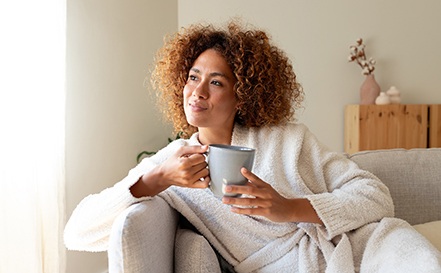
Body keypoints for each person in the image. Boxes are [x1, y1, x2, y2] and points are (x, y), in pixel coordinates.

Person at [64, 21, 441, 272]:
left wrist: (290, 208)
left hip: (363, 249)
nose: (197, 91)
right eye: (193, 77)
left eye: (216, 82)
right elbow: (77, 232)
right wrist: (156, 178)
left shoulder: (287, 139)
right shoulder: (171, 164)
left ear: (242, 96)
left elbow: (377, 198)